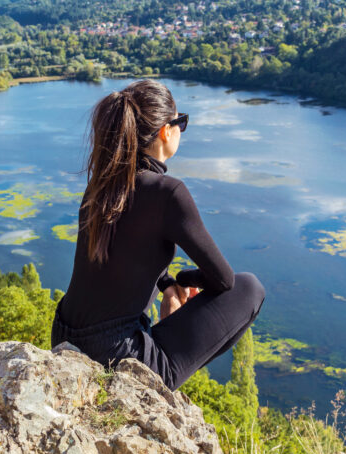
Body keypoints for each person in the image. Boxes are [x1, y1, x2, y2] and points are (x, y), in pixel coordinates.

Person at [51, 79, 265, 390]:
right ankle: (161, 385)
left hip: (64, 333)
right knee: (250, 287)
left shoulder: (102, 186)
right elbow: (224, 280)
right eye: (182, 123)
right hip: (115, 353)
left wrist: (166, 285)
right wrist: (184, 280)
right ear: (166, 130)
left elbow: (126, 254)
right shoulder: (169, 193)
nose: (181, 130)